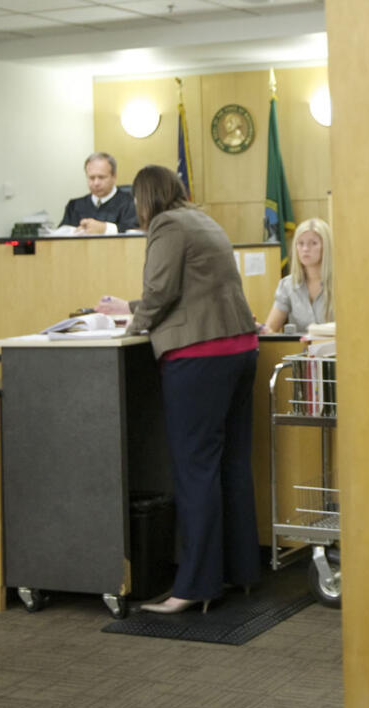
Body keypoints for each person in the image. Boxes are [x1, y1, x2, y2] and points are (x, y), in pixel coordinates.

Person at [95, 165, 260, 614]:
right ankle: (239, 571)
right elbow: (193, 288)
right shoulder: (202, 219)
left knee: (195, 469)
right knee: (231, 463)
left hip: (199, 356)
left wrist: (133, 321)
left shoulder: (166, 224)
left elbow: (161, 290)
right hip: (240, 348)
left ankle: (194, 586)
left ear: (147, 197)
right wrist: (131, 307)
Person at [262, 217, 334, 333]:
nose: (305, 249)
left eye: (313, 243)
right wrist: (258, 328)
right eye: (300, 243)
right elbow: (270, 329)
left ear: (326, 247)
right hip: (300, 349)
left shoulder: (341, 283)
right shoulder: (287, 285)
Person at [60, 152, 139, 234]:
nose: (96, 183)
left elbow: (136, 231)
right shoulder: (74, 206)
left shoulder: (131, 203)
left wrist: (105, 229)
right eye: (91, 178)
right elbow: (61, 234)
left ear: (114, 177)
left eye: (101, 177)